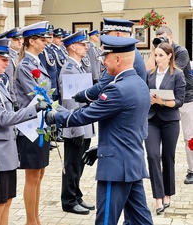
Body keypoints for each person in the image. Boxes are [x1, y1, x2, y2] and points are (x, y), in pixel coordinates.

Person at [45, 35, 153, 225]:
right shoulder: (140, 84)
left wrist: (56, 116)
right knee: (141, 221)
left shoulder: (117, 89)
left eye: (107, 56)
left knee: (105, 221)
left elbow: (85, 115)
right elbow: (133, 127)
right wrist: (101, 148)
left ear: (118, 59)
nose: (103, 60)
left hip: (116, 168)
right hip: (132, 163)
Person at [0, 39, 48, 225]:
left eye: (7, 59)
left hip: (5, 152)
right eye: (2, 59)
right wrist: (33, 109)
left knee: (6, 202)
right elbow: (3, 118)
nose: (7, 63)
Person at [15, 21, 57, 225]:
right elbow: (40, 95)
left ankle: (36, 218)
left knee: (39, 174)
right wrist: (57, 111)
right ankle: (30, 221)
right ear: (31, 41)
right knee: (32, 176)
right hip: (30, 127)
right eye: (42, 40)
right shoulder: (25, 66)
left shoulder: (37, 63)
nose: (45, 43)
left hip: (41, 125)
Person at [145, 25, 193, 185]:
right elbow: (150, 71)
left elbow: (172, 72)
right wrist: (154, 50)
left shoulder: (181, 52)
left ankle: (192, 170)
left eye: (164, 39)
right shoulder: (157, 54)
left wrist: (163, 55)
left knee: (189, 136)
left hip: (185, 98)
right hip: (160, 104)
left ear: (171, 38)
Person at [145, 42, 186, 214]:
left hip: (170, 121)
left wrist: (161, 101)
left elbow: (179, 101)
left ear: (169, 56)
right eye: (156, 55)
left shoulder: (178, 75)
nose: (158, 58)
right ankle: (158, 198)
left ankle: (168, 193)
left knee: (168, 158)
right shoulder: (149, 74)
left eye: (161, 55)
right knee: (153, 156)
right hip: (151, 119)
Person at [58, 30, 95, 215]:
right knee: (72, 165)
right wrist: (77, 129)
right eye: (82, 44)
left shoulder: (78, 67)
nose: (86, 46)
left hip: (83, 124)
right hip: (76, 126)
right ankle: (69, 200)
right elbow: (70, 103)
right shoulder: (69, 69)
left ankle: (76, 195)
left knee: (78, 165)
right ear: (72, 47)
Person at [73, 18, 147, 103]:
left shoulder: (124, 53)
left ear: (118, 35)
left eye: (107, 34)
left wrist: (80, 95)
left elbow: (103, 85)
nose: (104, 38)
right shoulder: (130, 51)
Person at [0, 27, 23, 111]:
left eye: (21, 38)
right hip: (15, 97)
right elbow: (10, 82)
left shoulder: (18, 55)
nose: (19, 41)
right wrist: (14, 101)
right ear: (9, 40)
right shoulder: (9, 57)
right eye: (16, 39)